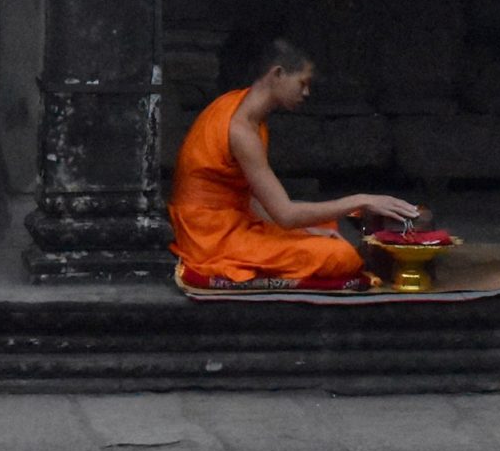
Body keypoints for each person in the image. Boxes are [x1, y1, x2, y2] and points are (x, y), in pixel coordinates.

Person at [170, 38, 420, 289]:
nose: (306, 93)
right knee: (340, 257)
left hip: (232, 218)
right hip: (211, 237)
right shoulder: (241, 130)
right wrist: (362, 200)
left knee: (322, 225)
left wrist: (307, 231)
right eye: (302, 83)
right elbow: (287, 215)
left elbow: (251, 199)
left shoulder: (238, 106)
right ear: (277, 74)